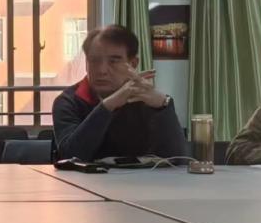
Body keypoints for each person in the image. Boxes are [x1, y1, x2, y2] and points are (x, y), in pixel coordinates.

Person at [52, 25, 186, 162]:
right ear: (86, 63)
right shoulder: (68, 101)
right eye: (94, 61)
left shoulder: (144, 100)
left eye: (113, 61)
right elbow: (70, 156)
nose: (102, 70)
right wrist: (109, 105)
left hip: (139, 176)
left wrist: (164, 106)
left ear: (133, 63)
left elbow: (178, 159)